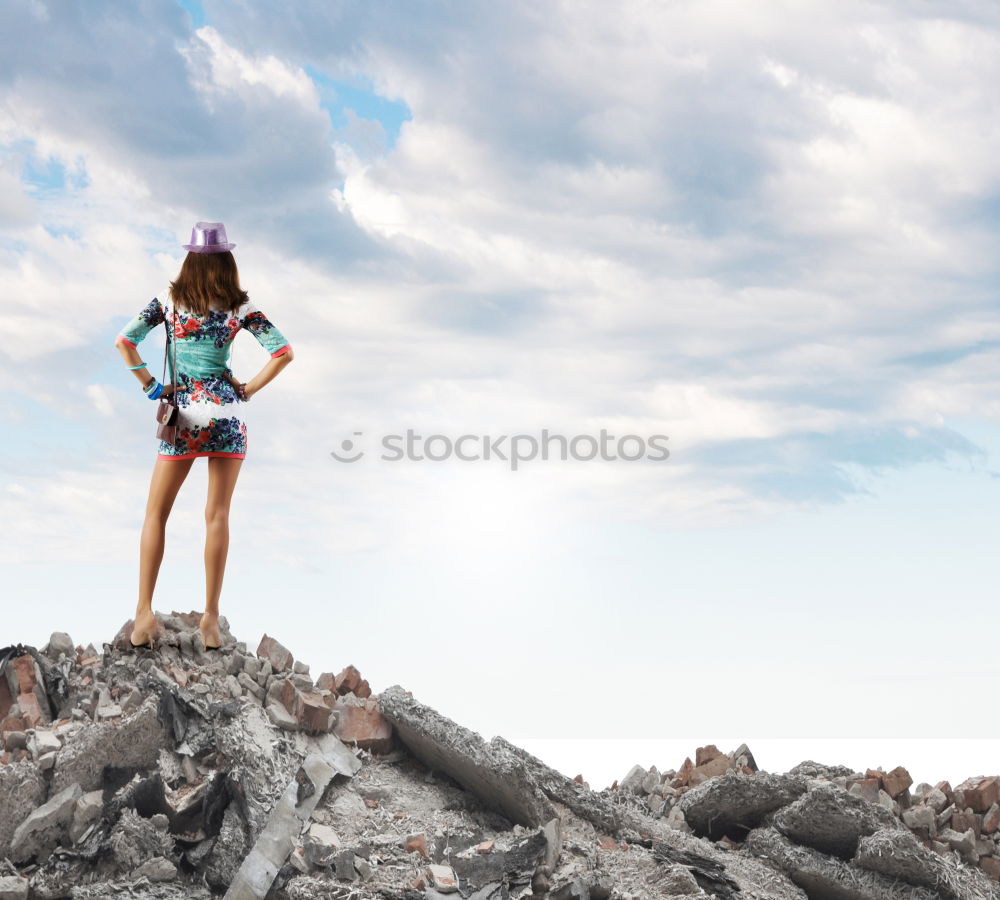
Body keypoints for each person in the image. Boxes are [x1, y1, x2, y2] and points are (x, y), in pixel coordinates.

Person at [113, 222, 294, 650]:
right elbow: (284, 353)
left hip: (185, 418)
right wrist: (246, 388)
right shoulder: (240, 308)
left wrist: (152, 386)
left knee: (156, 514)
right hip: (227, 416)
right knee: (217, 516)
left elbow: (125, 342)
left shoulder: (169, 302)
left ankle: (143, 615)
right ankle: (210, 620)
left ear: (189, 260)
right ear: (228, 263)